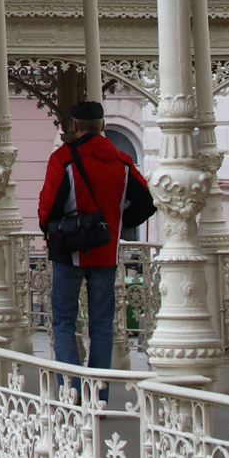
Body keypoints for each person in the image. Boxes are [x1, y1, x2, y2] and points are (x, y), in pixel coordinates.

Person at [38, 99, 151, 373]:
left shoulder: (63, 159)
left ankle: (74, 393)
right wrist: (119, 223)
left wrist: (51, 230)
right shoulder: (123, 162)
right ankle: (99, 394)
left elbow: (47, 208)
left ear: (75, 126)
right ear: (102, 126)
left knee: (64, 321)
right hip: (106, 249)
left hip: (69, 250)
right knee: (102, 324)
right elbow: (146, 203)